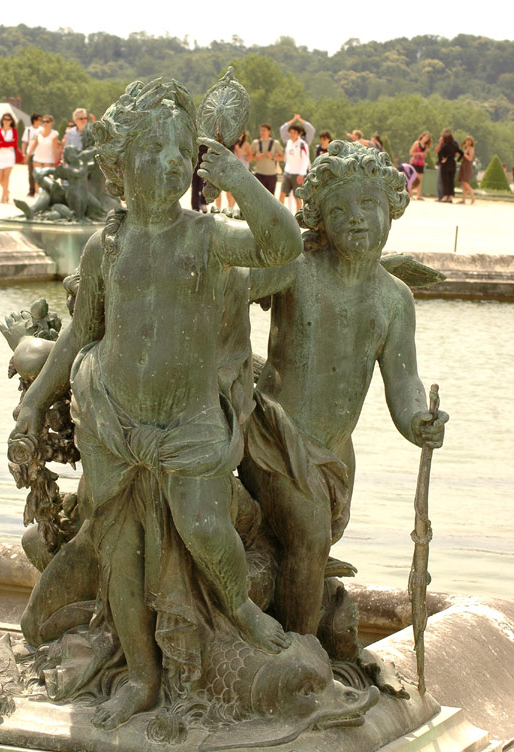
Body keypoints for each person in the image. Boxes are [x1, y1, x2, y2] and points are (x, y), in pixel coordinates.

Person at [11, 79, 301, 730]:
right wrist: (35, 400)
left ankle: (242, 607)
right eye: (155, 149)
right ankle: (141, 675)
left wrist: (245, 182)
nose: (172, 162)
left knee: (203, 526)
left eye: (180, 151)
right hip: (114, 420)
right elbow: (82, 335)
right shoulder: (105, 246)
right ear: (117, 165)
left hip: (190, 425)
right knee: (120, 553)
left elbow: (284, 247)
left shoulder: (205, 236)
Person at [240, 140, 448, 637]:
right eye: (340, 209)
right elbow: (229, 292)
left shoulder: (395, 299)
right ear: (320, 220)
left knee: (302, 544)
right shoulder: (297, 269)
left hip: (334, 453)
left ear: (392, 207)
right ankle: (300, 653)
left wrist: (418, 420)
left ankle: (279, 630)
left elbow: (404, 381)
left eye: (369, 204)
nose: (356, 219)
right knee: (309, 536)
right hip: (272, 436)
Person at [279, 121, 310, 209]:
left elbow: (306, 160)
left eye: (294, 133)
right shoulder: (288, 143)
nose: (292, 134)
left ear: (299, 134)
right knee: (282, 194)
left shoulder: (302, 145)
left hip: (298, 174)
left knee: (297, 198)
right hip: (287, 172)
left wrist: (301, 174)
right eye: (291, 132)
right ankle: (280, 216)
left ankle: (298, 219)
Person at [251, 123, 284, 195]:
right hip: (259, 174)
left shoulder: (275, 143)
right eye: (261, 130)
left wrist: (272, 157)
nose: (262, 132)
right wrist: (256, 158)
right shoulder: (255, 142)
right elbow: (249, 157)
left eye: (264, 130)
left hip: (271, 175)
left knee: (270, 196)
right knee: (258, 195)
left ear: (269, 132)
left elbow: (282, 157)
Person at [0, 112, 17, 203]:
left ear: (11, 121)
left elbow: (14, 143)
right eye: (5, 119)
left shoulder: (13, 131)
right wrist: (6, 143)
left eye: (8, 120)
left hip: (10, 155)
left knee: (6, 176)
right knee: (0, 178)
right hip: (0, 155)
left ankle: (3, 197)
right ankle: (6, 191)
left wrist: (3, 143)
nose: (6, 121)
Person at [437, 130, 463, 203]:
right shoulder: (454, 145)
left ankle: (445, 197)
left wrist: (441, 160)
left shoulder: (444, 145)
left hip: (445, 164)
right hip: (452, 163)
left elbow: (439, 153)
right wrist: (457, 160)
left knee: (445, 181)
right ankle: (450, 197)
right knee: (451, 182)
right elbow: (461, 153)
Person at [22, 113, 42, 197]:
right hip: (31, 153)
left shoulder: (42, 129)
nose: (41, 121)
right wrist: (24, 153)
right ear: (34, 120)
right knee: (31, 173)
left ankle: (39, 189)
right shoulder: (28, 130)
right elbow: (24, 142)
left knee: (39, 172)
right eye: (40, 120)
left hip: (40, 153)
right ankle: (32, 190)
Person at [409, 131, 432, 201]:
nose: (426, 138)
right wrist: (419, 153)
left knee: (419, 180)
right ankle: (410, 195)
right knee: (412, 179)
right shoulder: (417, 143)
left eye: (428, 138)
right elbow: (411, 153)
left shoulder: (426, 146)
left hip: (421, 164)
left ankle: (418, 195)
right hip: (414, 163)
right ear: (422, 136)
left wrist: (425, 154)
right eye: (425, 136)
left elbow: (424, 156)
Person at [458, 136, 475, 205]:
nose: (468, 142)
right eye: (467, 140)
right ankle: (463, 199)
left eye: (469, 141)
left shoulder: (471, 149)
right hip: (463, 165)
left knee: (466, 183)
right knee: (463, 183)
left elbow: (470, 158)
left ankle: (473, 197)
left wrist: (464, 154)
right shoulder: (465, 148)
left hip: (467, 166)